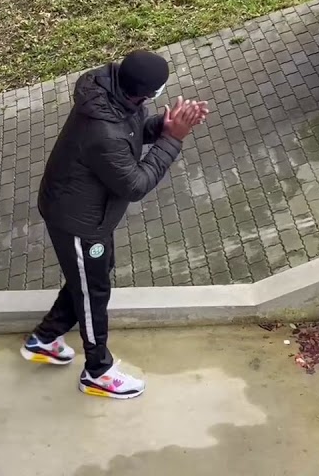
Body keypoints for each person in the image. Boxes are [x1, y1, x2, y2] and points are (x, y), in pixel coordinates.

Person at [20, 50, 208, 399]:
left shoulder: (112, 94)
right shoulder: (103, 130)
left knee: (95, 276)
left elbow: (131, 133)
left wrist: (162, 128)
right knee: (93, 294)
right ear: (147, 93)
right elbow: (134, 184)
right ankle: (97, 372)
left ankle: (44, 338)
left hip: (87, 212)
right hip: (78, 221)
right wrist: (173, 139)